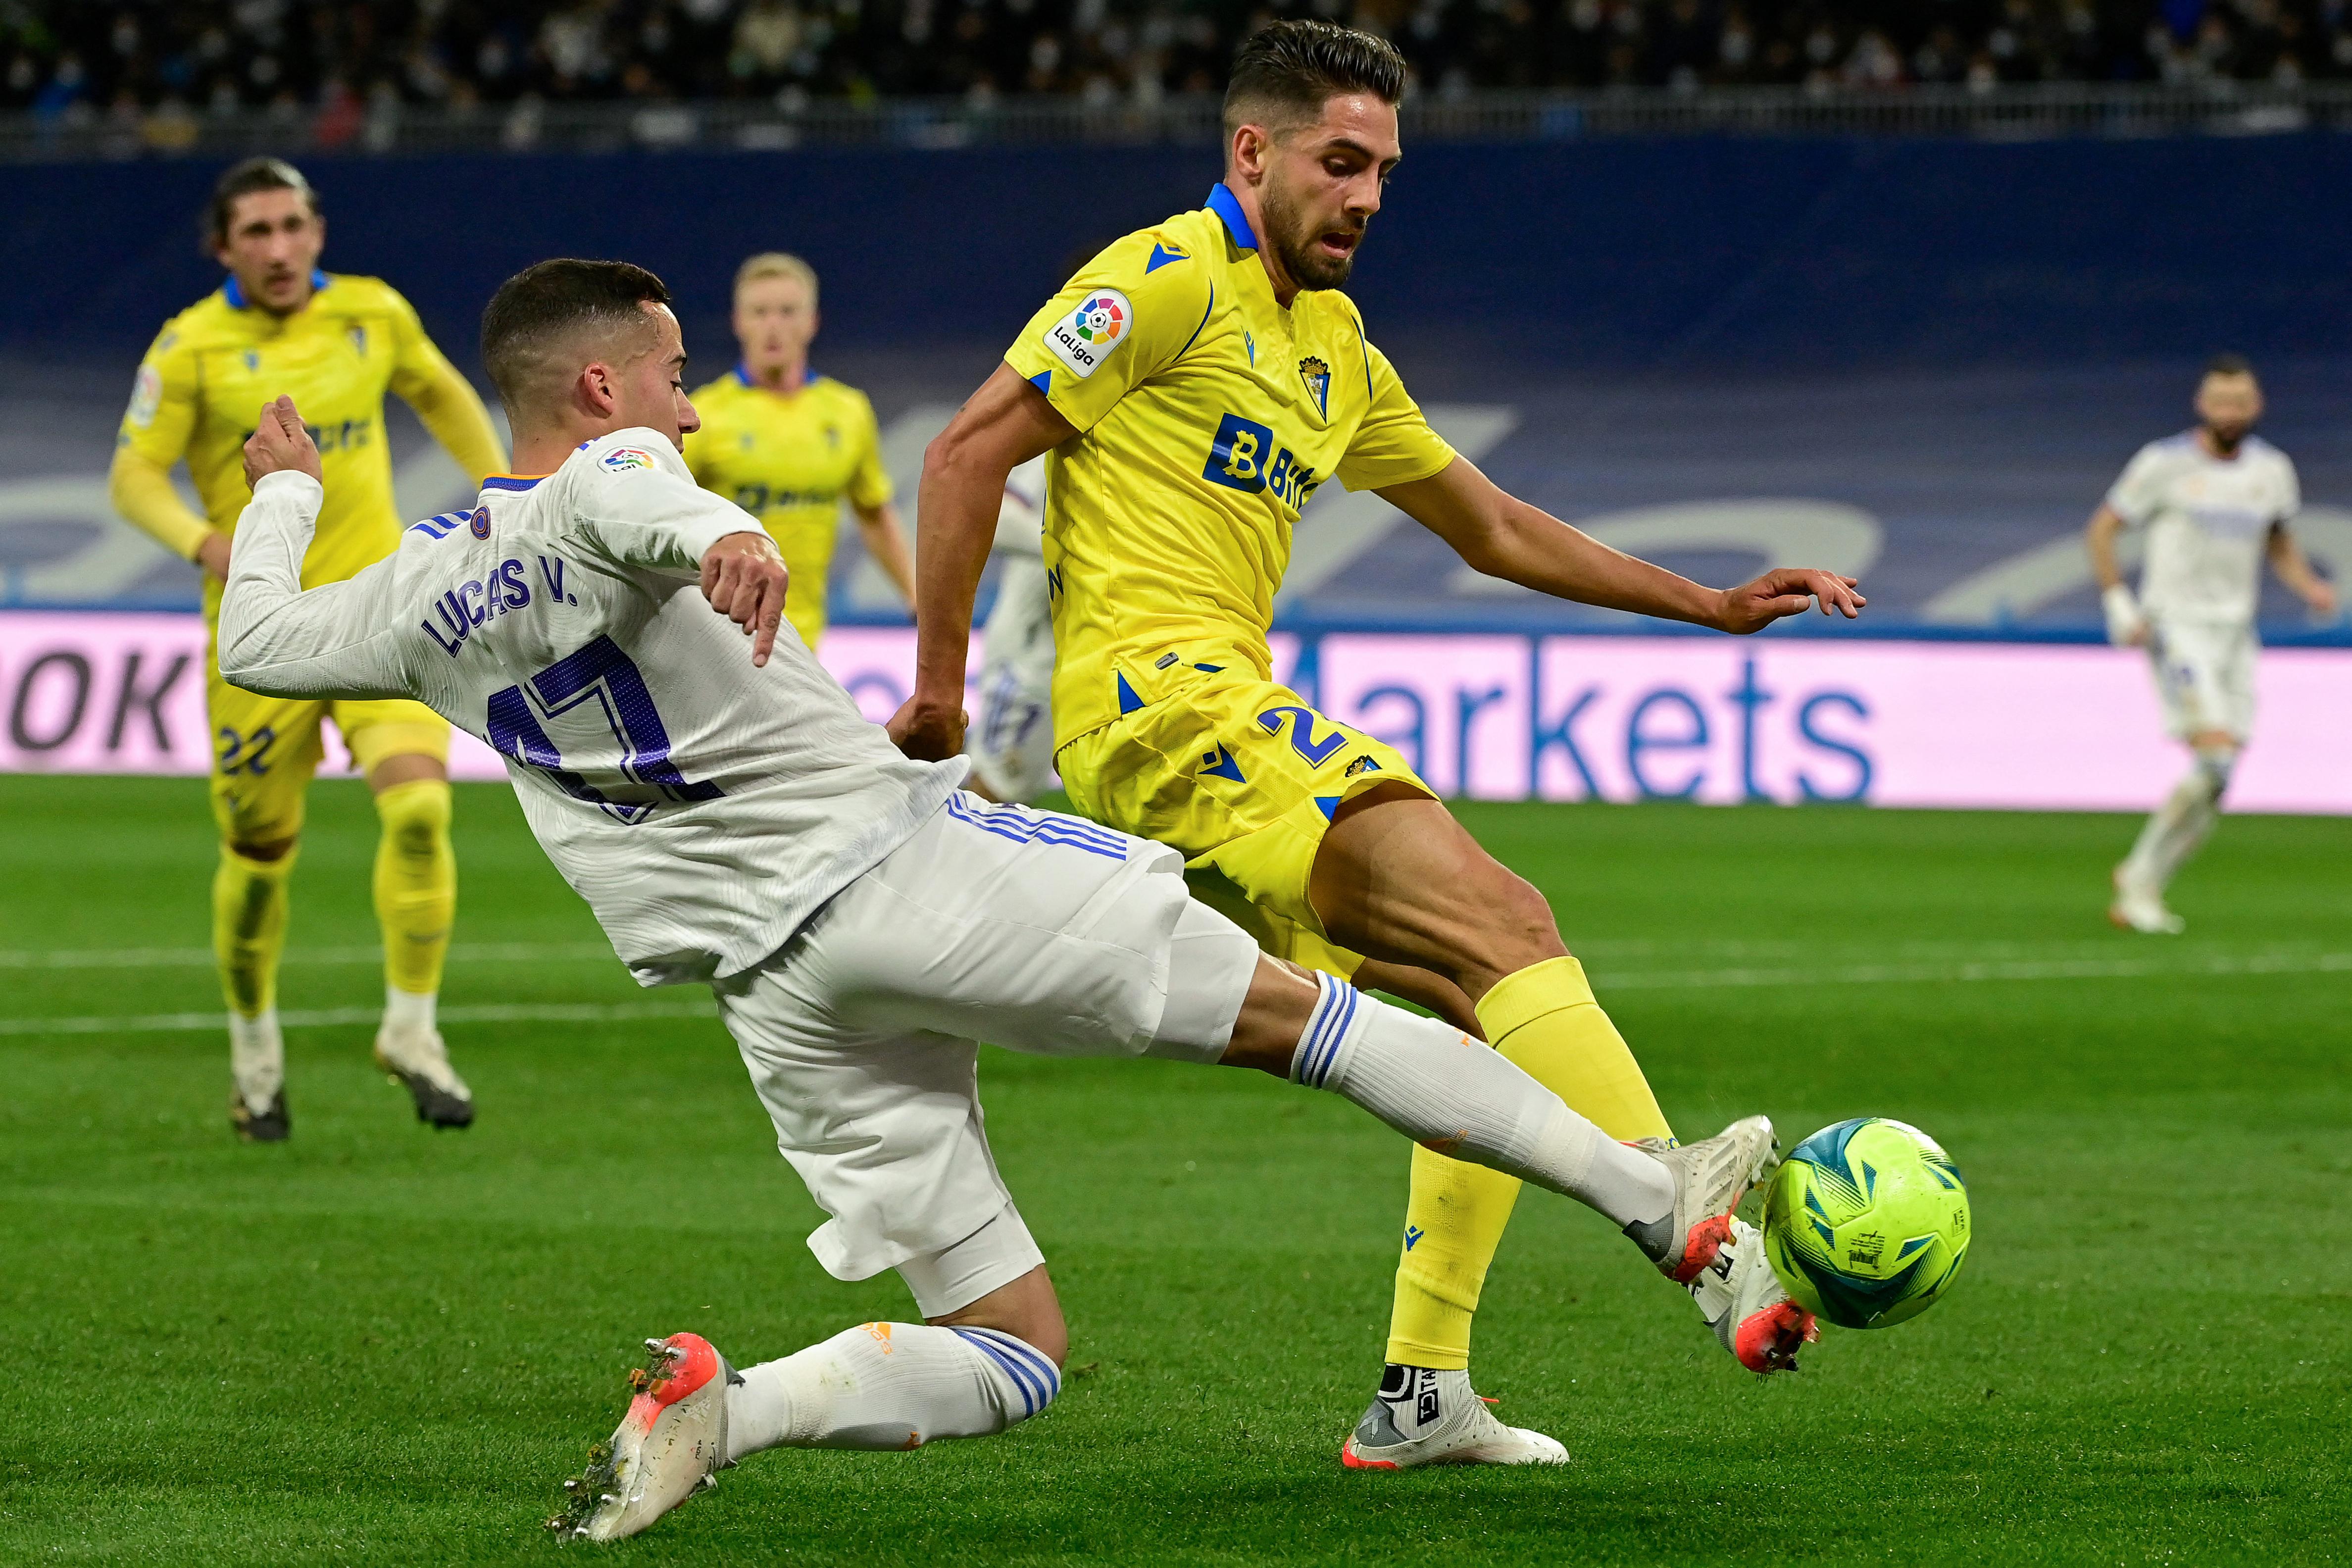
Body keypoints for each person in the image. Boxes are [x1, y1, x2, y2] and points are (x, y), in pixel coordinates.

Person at [217, 258, 1790, 1540]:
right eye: (678, 374)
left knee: (1014, 1343)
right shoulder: (620, 474)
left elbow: (260, 642)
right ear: (601, 388)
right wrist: (735, 531)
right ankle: (1665, 1209)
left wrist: (283, 490)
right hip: (897, 875)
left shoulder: (423, 592)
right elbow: (648, 501)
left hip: (769, 998)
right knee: (1309, 1017)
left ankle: (727, 1403)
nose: (696, 407)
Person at [893, 19, 1861, 1467]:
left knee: (1466, 1021)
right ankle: (1678, 1208)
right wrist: (938, 696)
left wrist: (1705, 604)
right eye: (1338, 162)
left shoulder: (1332, 347)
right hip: (1162, 709)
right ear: (1251, 152)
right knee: (1498, 913)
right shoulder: (1160, 280)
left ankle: (1421, 1391)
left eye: (1382, 173)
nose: (1363, 196)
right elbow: (967, 450)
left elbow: (1489, 525)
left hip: (1200, 748)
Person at [107, 156, 505, 1141]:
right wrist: (207, 542)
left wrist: (507, 484)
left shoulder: (373, 313)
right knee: (259, 859)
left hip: (377, 614)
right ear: (223, 247)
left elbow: (446, 395)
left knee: (419, 807)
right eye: (256, 232)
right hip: (256, 635)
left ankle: (411, 1031)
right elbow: (133, 475)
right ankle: (256, 1059)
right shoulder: (191, 346)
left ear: (317, 232)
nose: (279, 248)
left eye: (293, 226)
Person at [2088, 354, 2337, 934]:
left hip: (2235, 631)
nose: (2229, 412)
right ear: (2201, 405)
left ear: (2256, 407)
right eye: (2219, 401)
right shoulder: (2163, 463)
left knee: (2221, 774)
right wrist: (2118, 602)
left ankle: (2142, 875)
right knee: (2215, 757)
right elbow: (2102, 528)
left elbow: (2277, 538)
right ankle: (2139, 883)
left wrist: (2306, 585)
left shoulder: (2270, 470)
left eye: (2240, 402)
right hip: (2176, 624)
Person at [683, 252, 912, 652]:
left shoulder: (848, 410)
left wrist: (917, 600)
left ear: (812, 322)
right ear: (739, 322)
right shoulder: (703, 415)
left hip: (805, 640)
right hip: (717, 635)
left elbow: (874, 513)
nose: (773, 326)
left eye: (788, 312)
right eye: (760, 312)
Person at [967, 456, 1056, 803]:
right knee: (998, 790)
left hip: (1090, 645)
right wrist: (1078, 549)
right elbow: (997, 519)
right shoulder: (1063, 438)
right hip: (1030, 653)